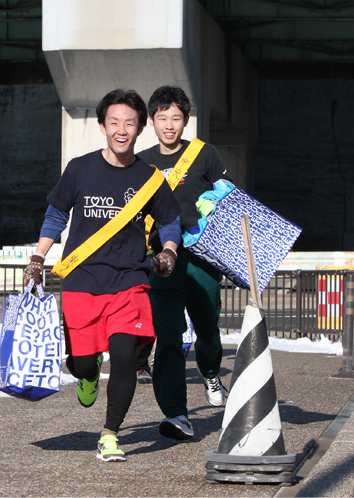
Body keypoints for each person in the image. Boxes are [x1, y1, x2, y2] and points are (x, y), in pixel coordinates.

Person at [23, 89, 181, 462]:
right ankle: (88, 371)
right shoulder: (80, 169)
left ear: (140, 128)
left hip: (130, 281)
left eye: (129, 123)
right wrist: (38, 257)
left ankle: (110, 434)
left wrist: (169, 251)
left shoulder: (150, 178)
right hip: (82, 281)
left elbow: (170, 221)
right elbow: (56, 214)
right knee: (80, 362)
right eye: (114, 123)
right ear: (102, 126)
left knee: (124, 356)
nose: (121, 130)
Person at [136, 85, 232, 441]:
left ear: (186, 120)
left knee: (207, 327)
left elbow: (228, 196)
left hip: (201, 257)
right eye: (162, 118)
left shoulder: (205, 154)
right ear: (151, 121)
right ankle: (176, 413)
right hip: (161, 258)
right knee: (168, 335)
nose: (169, 125)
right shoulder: (141, 162)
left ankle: (210, 370)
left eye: (176, 118)